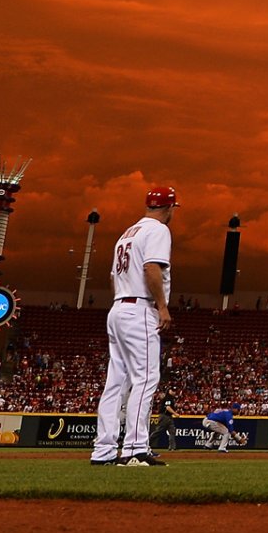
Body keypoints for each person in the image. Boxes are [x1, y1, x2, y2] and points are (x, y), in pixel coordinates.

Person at [91, 185, 178, 467]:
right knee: (146, 378)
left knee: (115, 382)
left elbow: (113, 277)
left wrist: (122, 299)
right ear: (169, 208)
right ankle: (135, 448)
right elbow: (151, 268)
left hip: (118, 307)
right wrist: (162, 306)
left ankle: (103, 451)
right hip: (139, 308)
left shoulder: (127, 234)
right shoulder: (158, 230)